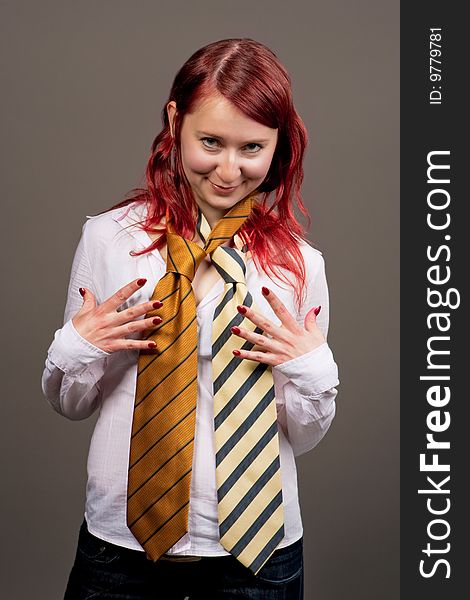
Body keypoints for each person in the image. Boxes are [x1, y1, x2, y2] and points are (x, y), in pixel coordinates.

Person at [41, 38, 339, 600]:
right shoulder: (109, 241)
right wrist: (80, 345)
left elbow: (302, 435)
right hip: (120, 550)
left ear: (279, 147)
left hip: (259, 556)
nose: (229, 171)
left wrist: (313, 368)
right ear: (175, 121)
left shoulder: (299, 267)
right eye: (210, 142)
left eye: (253, 147)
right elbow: (69, 404)